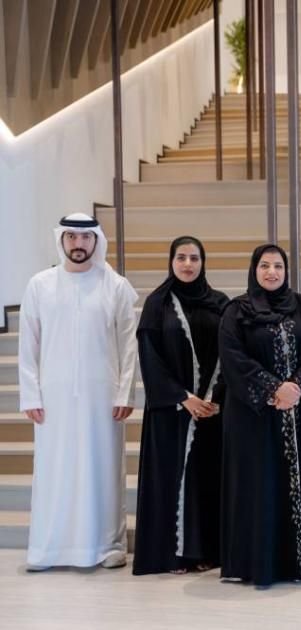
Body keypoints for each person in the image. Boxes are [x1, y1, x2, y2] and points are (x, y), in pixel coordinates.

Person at [18, 213, 138, 571]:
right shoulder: (39, 285)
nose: (78, 244)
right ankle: (47, 549)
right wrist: (31, 395)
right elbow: (28, 344)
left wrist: (125, 393)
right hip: (53, 398)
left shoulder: (115, 286)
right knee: (54, 470)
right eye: (71, 237)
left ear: (96, 241)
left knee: (103, 469)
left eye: (85, 238)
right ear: (62, 240)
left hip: (103, 398)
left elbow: (128, 345)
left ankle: (108, 545)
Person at [217, 244, 301, 586]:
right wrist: (272, 389)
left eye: (278, 266)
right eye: (264, 266)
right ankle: (258, 565)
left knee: (300, 483)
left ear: (286, 270)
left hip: (299, 413)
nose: (271, 272)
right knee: (259, 486)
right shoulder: (236, 312)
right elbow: (233, 358)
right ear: (254, 270)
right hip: (253, 418)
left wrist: (295, 387)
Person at [133, 236, 229, 575]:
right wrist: (182, 397)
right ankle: (174, 555)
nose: (188, 264)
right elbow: (150, 357)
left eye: (194, 258)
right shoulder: (157, 304)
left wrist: (216, 398)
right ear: (171, 261)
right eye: (181, 257)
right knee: (172, 482)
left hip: (211, 412)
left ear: (203, 262)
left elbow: (232, 351)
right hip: (171, 413)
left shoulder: (220, 303)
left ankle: (207, 552)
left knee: (207, 481)